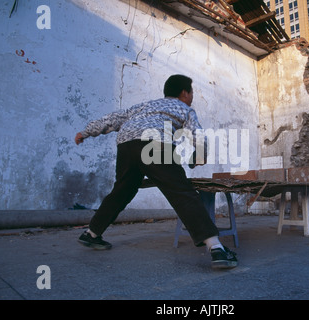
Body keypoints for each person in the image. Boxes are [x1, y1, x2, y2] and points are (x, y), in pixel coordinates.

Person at [74, 74, 237, 269]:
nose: (192, 96)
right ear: (184, 93)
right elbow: (198, 136)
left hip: (127, 145)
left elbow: (113, 118)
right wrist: (199, 157)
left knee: (122, 191)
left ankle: (91, 233)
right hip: (156, 144)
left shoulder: (145, 106)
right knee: (181, 192)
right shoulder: (184, 109)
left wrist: (86, 132)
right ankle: (216, 248)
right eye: (192, 92)